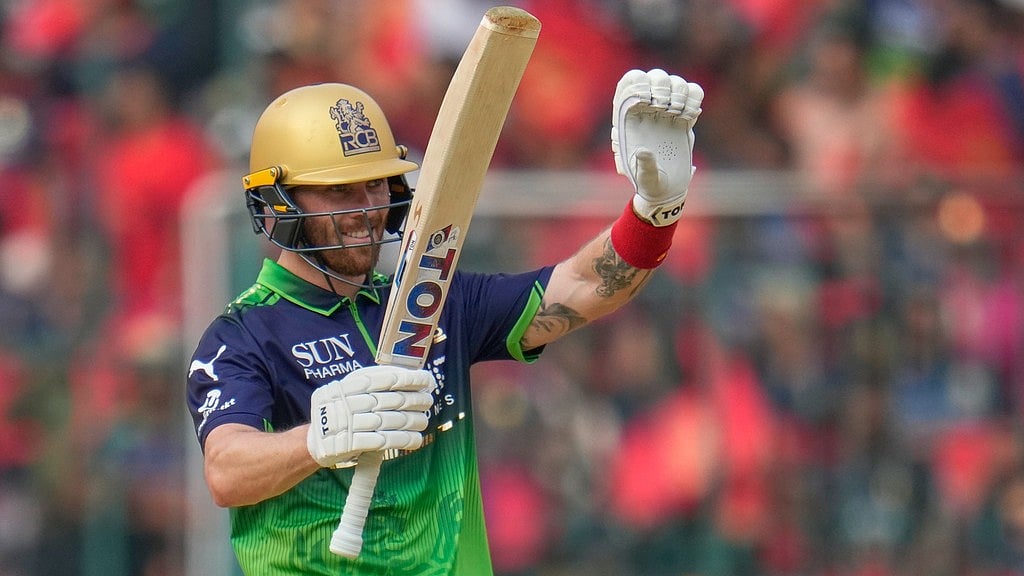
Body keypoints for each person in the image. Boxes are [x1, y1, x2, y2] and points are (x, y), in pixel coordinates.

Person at [186, 68, 704, 575]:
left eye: (376, 185)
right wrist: (318, 438)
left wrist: (655, 210)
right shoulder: (242, 335)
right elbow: (226, 470)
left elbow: (583, 288)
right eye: (340, 191)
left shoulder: (431, 299)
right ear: (276, 204)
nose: (367, 209)